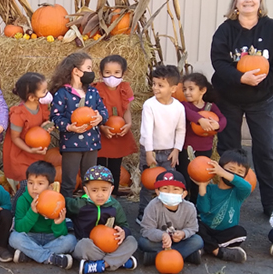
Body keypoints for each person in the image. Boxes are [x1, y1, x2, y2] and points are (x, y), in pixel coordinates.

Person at [211, 0, 273, 216]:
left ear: (260, 1)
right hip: (229, 97)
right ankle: (228, 201)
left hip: (260, 99)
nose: (248, 0)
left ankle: (271, 205)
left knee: (265, 150)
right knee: (229, 150)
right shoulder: (226, 30)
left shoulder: (272, 28)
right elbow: (219, 62)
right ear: (236, 2)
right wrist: (240, 78)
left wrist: (263, 80)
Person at [49, 52, 108, 198]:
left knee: (90, 181)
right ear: (76, 71)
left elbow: (103, 110)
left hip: (91, 144)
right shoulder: (62, 93)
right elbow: (55, 117)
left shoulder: (93, 92)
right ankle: (67, 213)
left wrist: (100, 117)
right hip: (71, 145)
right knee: (69, 181)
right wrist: (69, 127)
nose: (91, 72)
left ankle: (89, 210)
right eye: (88, 68)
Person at [67, 165, 138, 274]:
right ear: (86, 190)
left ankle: (101, 265)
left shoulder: (115, 206)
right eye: (94, 190)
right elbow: (62, 204)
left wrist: (124, 232)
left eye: (104, 190)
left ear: (111, 190)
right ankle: (119, 261)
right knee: (82, 245)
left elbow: (124, 225)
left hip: (111, 245)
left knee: (132, 241)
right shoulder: (79, 204)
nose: (100, 194)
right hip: (89, 246)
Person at [8, 161, 77, 269]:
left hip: (51, 238)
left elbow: (61, 233)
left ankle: (30, 255)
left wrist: (58, 224)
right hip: (30, 236)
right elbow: (20, 228)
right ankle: (51, 257)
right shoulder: (23, 200)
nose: (34, 187)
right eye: (30, 183)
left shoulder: (57, 200)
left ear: (50, 186)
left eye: (40, 183)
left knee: (71, 241)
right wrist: (32, 212)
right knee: (14, 238)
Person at [138, 65, 185, 218]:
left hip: (169, 152)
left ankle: (167, 213)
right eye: (154, 84)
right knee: (148, 184)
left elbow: (180, 129)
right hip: (149, 150)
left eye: (160, 85)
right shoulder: (150, 105)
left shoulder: (178, 107)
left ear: (173, 88)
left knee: (169, 183)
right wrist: (149, 152)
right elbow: (147, 130)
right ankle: (144, 214)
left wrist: (177, 149)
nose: (155, 88)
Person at [177, 72, 226, 203]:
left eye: (191, 89)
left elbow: (223, 119)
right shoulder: (184, 105)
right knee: (185, 178)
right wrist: (201, 120)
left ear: (203, 90)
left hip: (205, 149)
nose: (187, 92)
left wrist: (217, 125)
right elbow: (187, 113)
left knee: (200, 178)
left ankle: (197, 206)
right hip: (187, 149)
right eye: (184, 89)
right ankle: (184, 204)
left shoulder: (211, 107)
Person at [138, 169, 204, 266]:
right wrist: (162, 235)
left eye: (176, 189)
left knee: (197, 241)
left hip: (180, 241)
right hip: (160, 242)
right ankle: (185, 256)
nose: (170, 192)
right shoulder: (153, 206)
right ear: (157, 191)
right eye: (165, 188)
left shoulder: (189, 207)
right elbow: (146, 230)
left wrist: (183, 234)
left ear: (184, 194)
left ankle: (157, 257)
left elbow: (193, 228)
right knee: (143, 242)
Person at [195, 149, 251, 263]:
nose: (234, 173)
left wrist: (225, 173)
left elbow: (247, 187)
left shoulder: (238, 193)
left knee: (241, 232)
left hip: (226, 233)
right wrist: (202, 188)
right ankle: (218, 251)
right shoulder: (210, 188)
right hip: (207, 229)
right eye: (231, 169)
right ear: (219, 168)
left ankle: (206, 247)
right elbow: (203, 210)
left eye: (240, 172)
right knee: (195, 224)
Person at [2, 72, 53, 190]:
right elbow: (15, 138)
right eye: (44, 92)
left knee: (36, 182)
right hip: (20, 154)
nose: (47, 94)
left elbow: (43, 124)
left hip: (35, 152)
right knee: (25, 184)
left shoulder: (42, 107)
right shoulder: (19, 115)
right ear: (31, 97)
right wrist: (29, 149)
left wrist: (46, 127)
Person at [93, 55, 138, 174]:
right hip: (101, 132)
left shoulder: (125, 89)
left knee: (115, 166)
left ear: (123, 73)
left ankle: (114, 190)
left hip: (119, 132)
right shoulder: (96, 89)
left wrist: (128, 124)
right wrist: (102, 127)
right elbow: (92, 112)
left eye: (117, 72)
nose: (112, 76)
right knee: (100, 165)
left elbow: (127, 110)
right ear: (100, 73)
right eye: (107, 72)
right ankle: (100, 190)